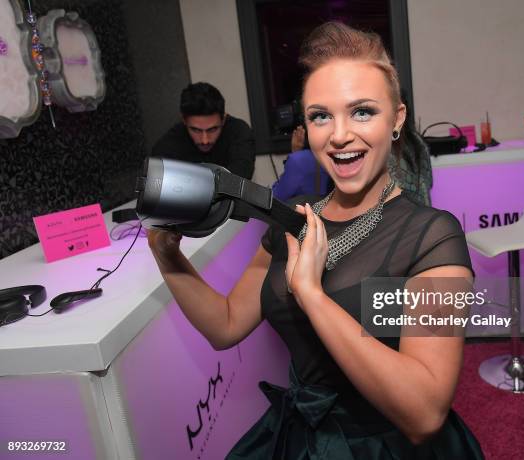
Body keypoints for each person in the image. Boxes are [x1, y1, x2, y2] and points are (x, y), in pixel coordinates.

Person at [148, 22, 483, 459]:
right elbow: (225, 324)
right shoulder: (293, 218)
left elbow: (424, 414)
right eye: (321, 115)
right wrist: (166, 252)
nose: (339, 134)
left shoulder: (433, 238)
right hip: (300, 438)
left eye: (362, 111)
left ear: (397, 118)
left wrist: (311, 294)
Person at [151, 82, 256, 179]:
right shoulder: (169, 144)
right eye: (196, 130)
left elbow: (240, 180)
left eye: (212, 129)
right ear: (184, 121)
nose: (205, 140)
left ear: (223, 119)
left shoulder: (238, 132)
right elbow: (157, 183)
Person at [272, 125, 333, 201]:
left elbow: (277, 197)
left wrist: (295, 156)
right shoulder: (338, 156)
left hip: (305, 211)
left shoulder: (298, 161)